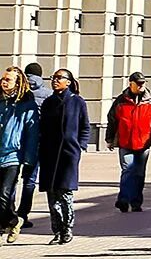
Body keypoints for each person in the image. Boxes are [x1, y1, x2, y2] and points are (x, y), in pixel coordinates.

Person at [105, 72, 151, 212]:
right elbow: (112, 120)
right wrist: (109, 139)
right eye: (138, 83)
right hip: (125, 142)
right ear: (130, 83)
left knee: (139, 173)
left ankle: (136, 202)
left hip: (144, 143)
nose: (140, 86)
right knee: (127, 169)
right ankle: (123, 200)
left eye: (143, 83)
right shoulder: (121, 101)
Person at [38, 69, 88, 245]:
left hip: (69, 153)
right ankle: (56, 230)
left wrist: (80, 146)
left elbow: (85, 127)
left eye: (60, 78)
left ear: (68, 81)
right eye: (54, 78)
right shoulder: (48, 103)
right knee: (51, 193)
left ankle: (67, 228)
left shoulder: (77, 102)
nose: (55, 81)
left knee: (65, 192)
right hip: (49, 153)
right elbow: (42, 127)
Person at [0, 67, 39, 243]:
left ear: (18, 83)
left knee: (4, 193)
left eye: (8, 79)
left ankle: (3, 225)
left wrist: (29, 159)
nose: (3, 81)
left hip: (13, 155)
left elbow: (32, 133)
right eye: (3, 78)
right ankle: (14, 220)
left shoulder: (26, 104)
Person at [18, 63, 50, 229]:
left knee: (11, 178)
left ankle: (7, 213)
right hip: (37, 141)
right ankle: (22, 214)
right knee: (29, 180)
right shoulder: (47, 94)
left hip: (17, 141)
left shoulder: (18, 91)